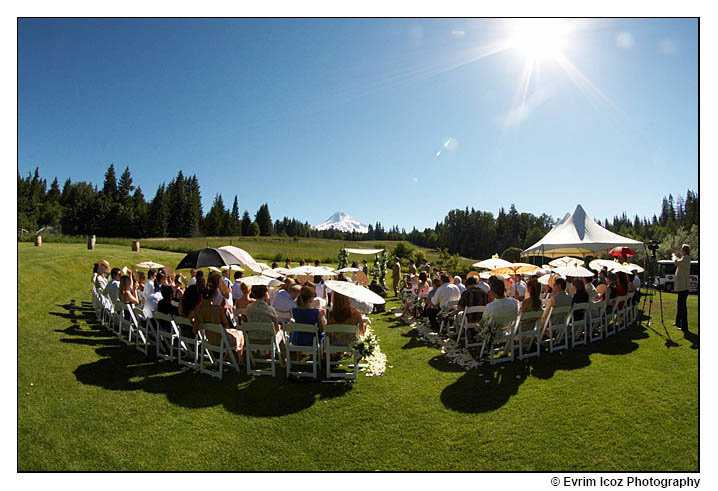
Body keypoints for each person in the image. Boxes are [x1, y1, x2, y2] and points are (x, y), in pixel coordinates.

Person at [290, 286, 324, 353]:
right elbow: (321, 329)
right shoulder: (316, 312)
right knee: (322, 335)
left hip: (297, 340)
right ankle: (321, 357)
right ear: (311, 298)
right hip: (312, 341)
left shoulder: (294, 311)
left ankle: (298, 357)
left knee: (299, 333)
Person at [672, 244, 691, 332]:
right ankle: (677, 322)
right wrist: (676, 257)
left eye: (681, 249)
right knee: (680, 305)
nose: (680, 251)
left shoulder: (686, 258)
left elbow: (676, 262)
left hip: (683, 287)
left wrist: (674, 256)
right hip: (682, 287)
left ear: (684, 251)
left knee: (682, 307)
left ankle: (684, 327)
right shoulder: (684, 259)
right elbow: (679, 262)